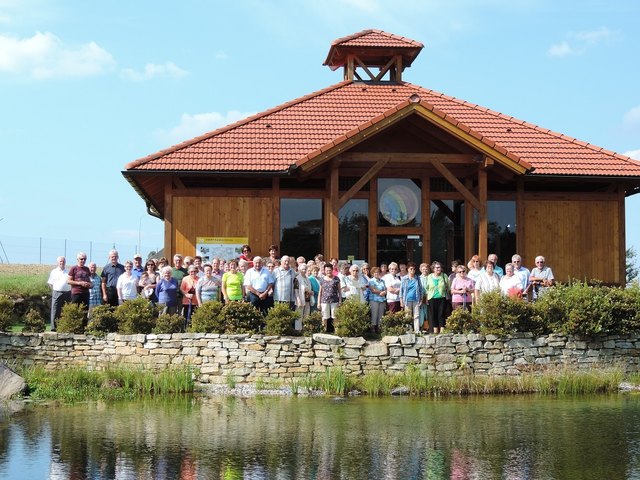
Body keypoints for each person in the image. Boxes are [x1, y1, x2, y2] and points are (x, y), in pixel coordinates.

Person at [47, 256, 71, 331]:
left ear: (65, 262)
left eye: (63, 261)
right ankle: (54, 328)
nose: (62, 263)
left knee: (66, 311)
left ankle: (65, 327)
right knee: (55, 310)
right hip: (56, 293)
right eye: (60, 261)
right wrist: (55, 291)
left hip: (67, 293)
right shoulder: (53, 272)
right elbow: (50, 283)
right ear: (58, 262)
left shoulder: (68, 271)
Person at [399, 262, 424, 333]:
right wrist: (401, 301)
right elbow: (401, 291)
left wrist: (421, 299)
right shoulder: (404, 279)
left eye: (414, 269)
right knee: (408, 316)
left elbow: (421, 290)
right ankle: (408, 330)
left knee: (416, 315)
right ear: (408, 269)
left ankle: (417, 330)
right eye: (411, 269)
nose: (412, 270)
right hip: (407, 300)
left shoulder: (417, 278)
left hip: (416, 299)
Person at [426, 261, 449, 334]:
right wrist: (426, 298)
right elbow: (426, 288)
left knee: (441, 313)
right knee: (433, 314)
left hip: (442, 297)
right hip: (432, 298)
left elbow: (448, 286)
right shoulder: (429, 277)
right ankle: (435, 330)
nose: (439, 269)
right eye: (437, 267)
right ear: (433, 268)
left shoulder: (444, 276)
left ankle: (442, 329)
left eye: (440, 267)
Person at [318, 264, 341, 333]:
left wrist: (340, 301)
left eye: (330, 270)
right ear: (324, 271)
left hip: (334, 300)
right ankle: (324, 331)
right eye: (327, 270)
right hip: (324, 301)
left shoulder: (336, 279)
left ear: (332, 270)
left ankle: (337, 331)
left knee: (335, 317)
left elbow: (339, 291)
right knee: (324, 317)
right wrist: (318, 303)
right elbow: (320, 292)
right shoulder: (322, 279)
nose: (328, 272)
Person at [293, 263, 312, 330]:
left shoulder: (307, 278)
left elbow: (309, 288)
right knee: (299, 316)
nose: (304, 270)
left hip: (307, 300)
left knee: (306, 316)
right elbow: (296, 290)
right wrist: (298, 300)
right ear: (299, 269)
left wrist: (310, 292)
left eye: (305, 269)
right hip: (300, 299)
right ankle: (298, 330)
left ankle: (305, 330)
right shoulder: (297, 278)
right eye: (303, 269)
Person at [368, 267, 387, 333]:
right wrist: (380, 292)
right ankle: (373, 328)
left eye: (378, 272)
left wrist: (384, 292)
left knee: (381, 314)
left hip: (382, 300)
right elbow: (373, 290)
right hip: (374, 300)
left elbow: (386, 289)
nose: (377, 273)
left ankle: (379, 327)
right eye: (375, 272)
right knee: (374, 314)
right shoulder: (371, 281)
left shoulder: (382, 281)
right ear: (373, 273)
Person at [418, 262, 430, 331]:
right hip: (420, 297)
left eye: (426, 269)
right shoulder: (418, 278)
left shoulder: (430, 277)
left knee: (427, 312)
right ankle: (421, 326)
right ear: (420, 270)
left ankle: (427, 327)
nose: (425, 270)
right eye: (423, 269)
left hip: (428, 297)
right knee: (421, 312)